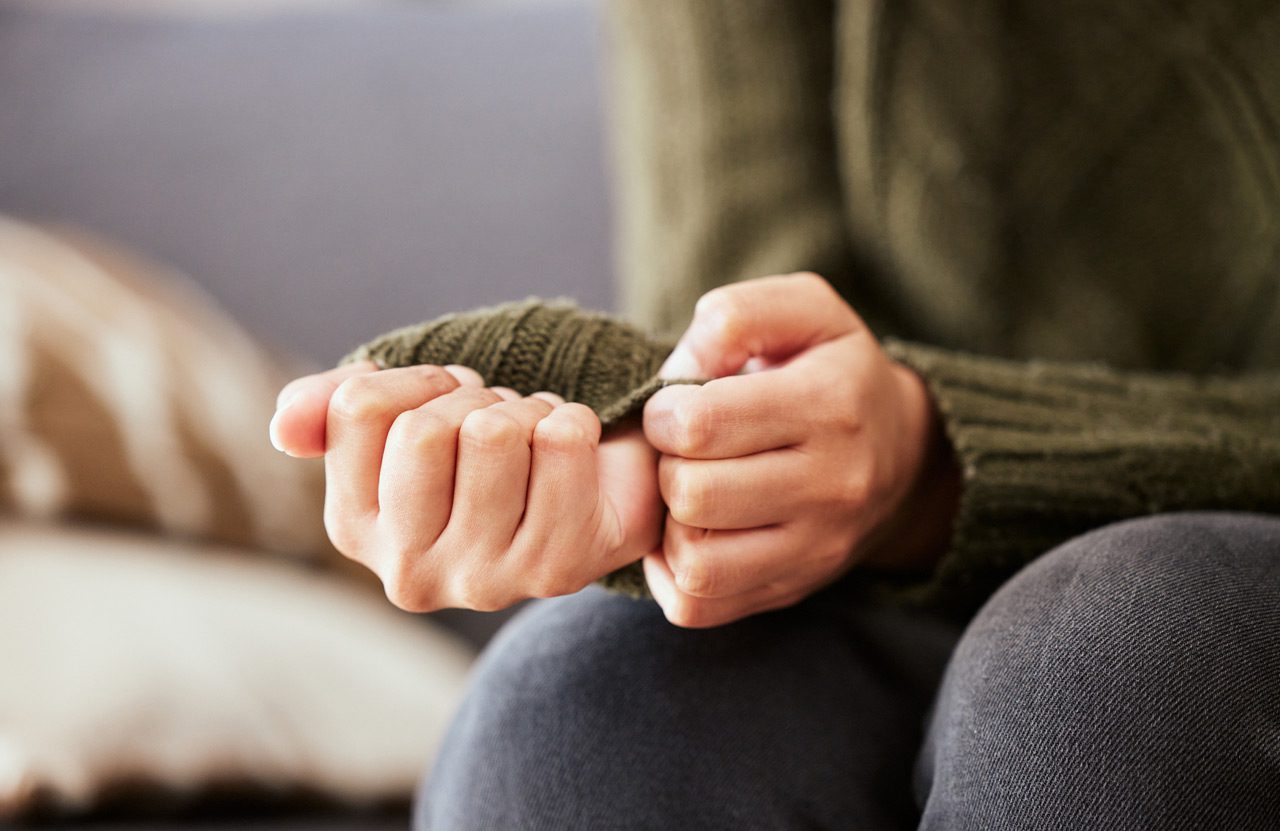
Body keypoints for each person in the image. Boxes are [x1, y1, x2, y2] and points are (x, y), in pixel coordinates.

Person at [269, 1, 1280, 828]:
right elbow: (732, 323)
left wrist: (924, 457)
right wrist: (683, 469)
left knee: (1119, 668)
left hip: (1174, 553)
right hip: (883, 569)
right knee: (578, 710)